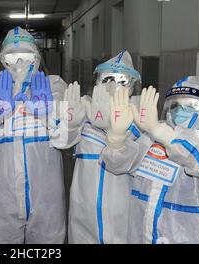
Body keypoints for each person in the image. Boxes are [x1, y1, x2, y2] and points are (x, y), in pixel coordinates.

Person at [103, 76, 199, 243]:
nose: (180, 111)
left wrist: (160, 132)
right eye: (175, 105)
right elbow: (117, 165)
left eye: (190, 105)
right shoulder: (152, 139)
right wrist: (117, 139)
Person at [0, 26, 80, 244]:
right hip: (1, 195)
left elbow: (68, 139)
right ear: (3, 59)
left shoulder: (54, 86)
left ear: (36, 57)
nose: (19, 62)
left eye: (25, 56)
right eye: (13, 56)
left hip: (46, 195)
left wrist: (48, 115)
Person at [68, 50, 143, 244]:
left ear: (132, 86)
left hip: (122, 213)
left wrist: (113, 130)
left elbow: (128, 163)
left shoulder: (142, 120)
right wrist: (70, 121)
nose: (111, 85)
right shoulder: (85, 109)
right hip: (83, 211)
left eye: (120, 80)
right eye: (106, 79)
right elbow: (61, 142)